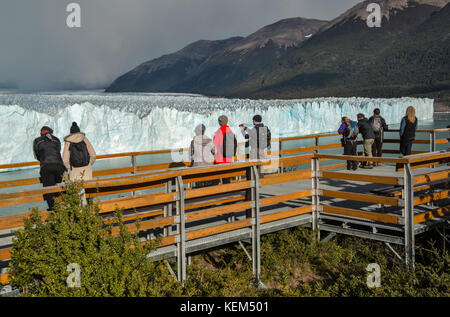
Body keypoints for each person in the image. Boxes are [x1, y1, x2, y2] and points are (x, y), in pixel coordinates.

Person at [33, 126, 66, 210]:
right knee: (58, 187)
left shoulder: (37, 141)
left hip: (46, 166)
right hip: (59, 166)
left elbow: (36, 155)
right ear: (51, 132)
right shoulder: (56, 139)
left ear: (41, 132)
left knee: (48, 189)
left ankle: (53, 210)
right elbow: (58, 151)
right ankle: (62, 208)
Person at [190, 124, 217, 188]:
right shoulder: (209, 141)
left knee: (199, 185)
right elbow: (215, 152)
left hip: (197, 167)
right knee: (208, 184)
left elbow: (190, 153)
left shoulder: (193, 142)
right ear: (204, 131)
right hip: (208, 166)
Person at [213, 115, 237, 184]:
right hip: (228, 159)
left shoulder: (219, 132)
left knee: (215, 178)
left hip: (220, 160)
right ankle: (228, 191)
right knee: (226, 179)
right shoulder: (230, 131)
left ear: (220, 122)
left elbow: (214, 146)